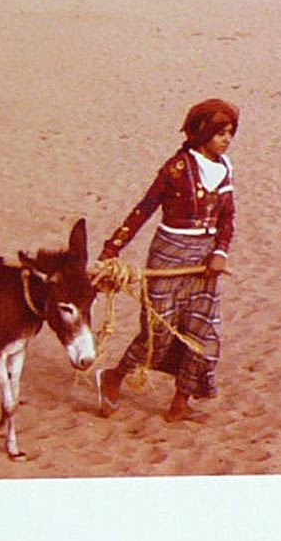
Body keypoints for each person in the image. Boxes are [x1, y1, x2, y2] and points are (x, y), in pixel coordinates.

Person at [95, 98, 239, 422]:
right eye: (221, 133)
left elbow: (228, 218)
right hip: (169, 256)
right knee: (158, 332)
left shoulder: (225, 168)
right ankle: (114, 377)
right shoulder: (176, 169)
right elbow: (143, 209)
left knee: (201, 332)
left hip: (205, 263)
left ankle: (180, 403)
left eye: (230, 133)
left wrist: (220, 251)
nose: (227, 140)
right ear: (203, 133)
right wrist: (110, 252)